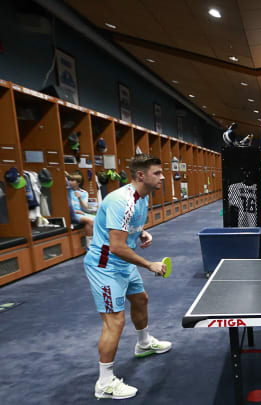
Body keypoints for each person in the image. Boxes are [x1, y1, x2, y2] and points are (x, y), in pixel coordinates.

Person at [84, 154, 171, 400]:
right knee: (115, 321)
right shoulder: (122, 201)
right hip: (105, 266)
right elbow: (117, 246)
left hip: (123, 263)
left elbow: (124, 227)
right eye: (158, 173)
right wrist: (149, 264)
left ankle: (143, 343)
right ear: (141, 175)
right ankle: (105, 382)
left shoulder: (141, 198)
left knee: (141, 299)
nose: (163, 177)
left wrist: (141, 232)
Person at [67, 173, 94, 247]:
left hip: (80, 213)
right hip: (71, 214)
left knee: (99, 219)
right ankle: (89, 245)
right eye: (69, 180)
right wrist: (75, 211)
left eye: (72, 180)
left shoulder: (84, 192)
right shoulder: (66, 192)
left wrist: (79, 198)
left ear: (78, 182)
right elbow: (64, 207)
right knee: (90, 221)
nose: (69, 182)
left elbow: (85, 207)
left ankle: (98, 243)